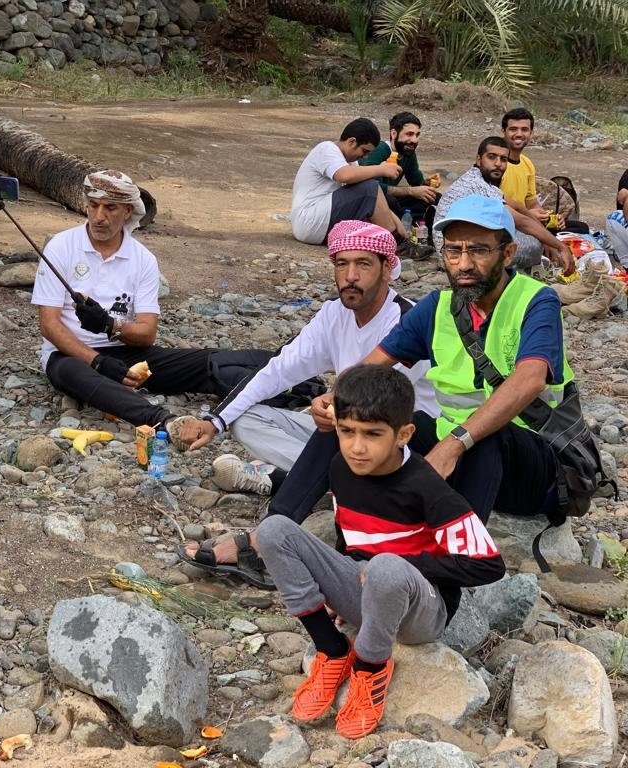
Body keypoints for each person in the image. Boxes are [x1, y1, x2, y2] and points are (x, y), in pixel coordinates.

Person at [172, 221, 438, 587]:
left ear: (387, 269)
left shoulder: (408, 321)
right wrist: (214, 421)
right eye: (342, 264)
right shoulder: (334, 314)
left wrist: (332, 405)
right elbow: (278, 370)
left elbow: (377, 404)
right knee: (246, 419)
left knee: (343, 423)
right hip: (347, 433)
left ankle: (264, 540)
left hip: (401, 443)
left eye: (363, 264)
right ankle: (322, 483)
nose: (350, 276)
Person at [256, 364, 504, 739]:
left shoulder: (426, 487)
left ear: (403, 434)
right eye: (347, 431)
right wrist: (336, 585)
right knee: (274, 530)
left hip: (420, 613)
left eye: (372, 434)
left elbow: (489, 565)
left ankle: (370, 669)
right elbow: (348, 539)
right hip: (366, 591)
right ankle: (332, 649)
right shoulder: (341, 468)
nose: (357, 447)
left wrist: (406, 565)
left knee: (385, 567)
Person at [325, 194, 572, 525]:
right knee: (359, 418)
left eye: (479, 250)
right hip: (461, 452)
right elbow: (369, 367)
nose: (464, 264)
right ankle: (281, 527)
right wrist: (334, 398)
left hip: (534, 468)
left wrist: (455, 443)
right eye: (454, 251)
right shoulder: (436, 307)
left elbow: (531, 379)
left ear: (508, 253)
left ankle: (456, 552)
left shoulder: (536, 300)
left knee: (488, 435)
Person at [32, 170, 261, 433]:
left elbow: (147, 334)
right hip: (68, 355)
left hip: (124, 353)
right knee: (73, 372)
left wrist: (109, 325)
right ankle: (162, 420)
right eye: (93, 206)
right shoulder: (61, 246)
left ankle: (279, 381)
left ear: (127, 211)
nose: (98, 217)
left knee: (208, 361)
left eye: (110, 208)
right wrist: (97, 361)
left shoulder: (143, 259)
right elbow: (49, 325)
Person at [434, 137, 572, 273]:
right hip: (454, 256)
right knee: (533, 244)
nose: (498, 163)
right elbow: (522, 221)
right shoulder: (476, 184)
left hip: (466, 242)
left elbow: (518, 206)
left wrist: (547, 238)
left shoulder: (481, 179)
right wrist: (561, 247)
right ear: (479, 160)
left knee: (534, 235)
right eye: (492, 157)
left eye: (503, 159)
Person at [289, 118, 408, 250]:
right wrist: (381, 169)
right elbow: (344, 175)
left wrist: (400, 228)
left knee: (372, 191)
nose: (364, 157)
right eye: (364, 151)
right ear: (352, 141)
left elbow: (374, 199)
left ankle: (399, 240)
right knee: (370, 187)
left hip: (318, 222)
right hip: (309, 222)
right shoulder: (326, 149)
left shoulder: (349, 161)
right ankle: (395, 244)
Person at [358, 111, 441, 226]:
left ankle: (418, 221)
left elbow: (416, 183)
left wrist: (426, 184)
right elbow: (372, 188)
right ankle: (407, 223)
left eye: (417, 135)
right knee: (391, 201)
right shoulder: (379, 150)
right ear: (393, 134)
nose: (414, 140)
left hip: (394, 199)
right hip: (371, 200)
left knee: (433, 197)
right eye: (409, 134)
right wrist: (411, 191)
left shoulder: (408, 152)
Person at [498, 108, 557, 229]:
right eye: (513, 129)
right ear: (503, 131)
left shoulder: (527, 163)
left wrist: (548, 216)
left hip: (525, 221)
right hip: (502, 224)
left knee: (578, 228)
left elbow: (532, 204)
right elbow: (493, 206)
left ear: (531, 133)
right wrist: (529, 215)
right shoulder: (496, 163)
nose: (519, 134)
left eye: (524, 129)